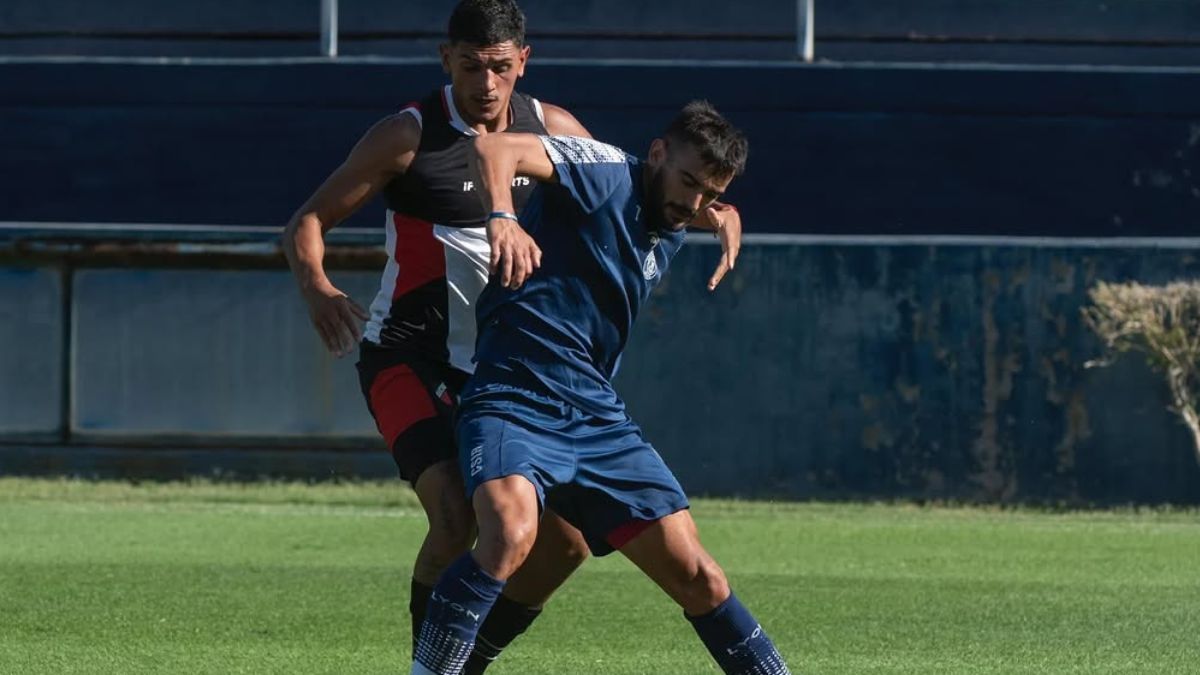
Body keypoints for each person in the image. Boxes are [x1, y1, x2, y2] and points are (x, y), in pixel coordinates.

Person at [280, 1, 744, 671]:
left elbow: (630, 199)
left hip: (508, 370)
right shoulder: (408, 135)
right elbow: (306, 220)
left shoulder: (552, 128)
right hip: (412, 354)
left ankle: (466, 658)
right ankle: (430, 663)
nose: (486, 83)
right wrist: (318, 287)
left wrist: (716, 212)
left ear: (523, 62)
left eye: (500, 67)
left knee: (566, 545)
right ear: (448, 61)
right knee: (456, 519)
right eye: (471, 66)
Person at [410, 102, 789, 675]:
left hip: (597, 419)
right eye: (687, 182)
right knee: (509, 533)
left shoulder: (680, 214)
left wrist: (722, 211)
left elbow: (694, 204)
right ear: (657, 154)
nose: (692, 202)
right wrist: (503, 216)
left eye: (709, 192)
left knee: (701, 579)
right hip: (513, 397)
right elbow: (494, 148)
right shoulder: (603, 171)